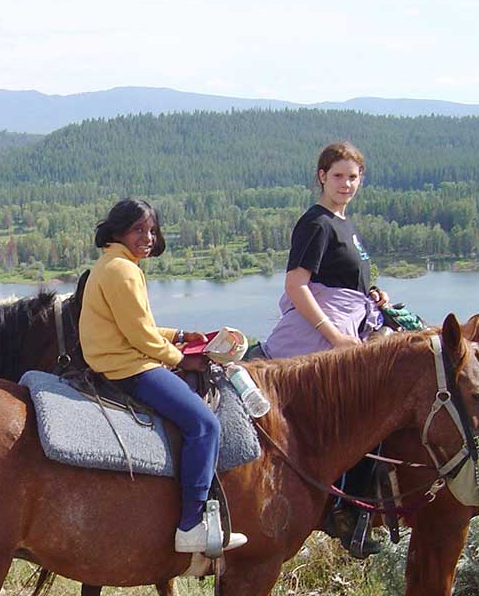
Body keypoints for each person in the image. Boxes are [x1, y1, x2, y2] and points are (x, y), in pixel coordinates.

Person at [79, 198, 248, 555]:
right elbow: (139, 336)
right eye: (139, 229)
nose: (148, 237)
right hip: (128, 368)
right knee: (205, 425)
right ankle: (191, 525)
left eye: (152, 230)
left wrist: (179, 335)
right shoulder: (123, 271)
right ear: (118, 230)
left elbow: (137, 326)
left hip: (117, 359)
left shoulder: (112, 264)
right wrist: (181, 360)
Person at [261, 141, 390, 556]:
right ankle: (342, 510)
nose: (346, 183)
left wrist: (374, 296)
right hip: (320, 341)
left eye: (353, 177)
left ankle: (352, 509)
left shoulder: (346, 225)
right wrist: (334, 337)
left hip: (348, 330)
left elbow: (342, 283)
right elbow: (296, 285)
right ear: (321, 176)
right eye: (338, 175)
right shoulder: (316, 223)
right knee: (368, 415)